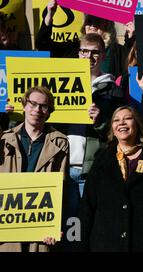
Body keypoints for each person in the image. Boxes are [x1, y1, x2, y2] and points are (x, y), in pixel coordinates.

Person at [77, 106, 143, 251]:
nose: (121, 123)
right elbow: (87, 206)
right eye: (116, 120)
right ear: (112, 129)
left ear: (137, 124)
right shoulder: (101, 159)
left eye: (127, 118)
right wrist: (80, 246)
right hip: (105, 245)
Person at [55, 33, 124, 198]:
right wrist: (18, 113)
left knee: (86, 223)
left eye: (95, 52)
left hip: (92, 171)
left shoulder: (114, 91)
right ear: (79, 53)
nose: (89, 56)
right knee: (65, 223)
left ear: (103, 55)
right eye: (84, 51)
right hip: (61, 168)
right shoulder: (59, 83)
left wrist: (100, 120)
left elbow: (120, 132)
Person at [0, 86, 69, 252]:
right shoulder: (4, 139)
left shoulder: (60, 142)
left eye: (43, 106)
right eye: (32, 104)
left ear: (49, 111)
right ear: (24, 105)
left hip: (40, 226)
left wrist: (53, 226)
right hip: (8, 225)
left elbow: (61, 187)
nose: (37, 110)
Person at [36, 0, 131, 80]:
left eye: (97, 21)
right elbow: (42, 45)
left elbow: (132, 63)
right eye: (89, 21)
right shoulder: (73, 47)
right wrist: (49, 16)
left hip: (108, 97)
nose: (93, 26)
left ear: (107, 25)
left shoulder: (118, 51)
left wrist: (131, 36)